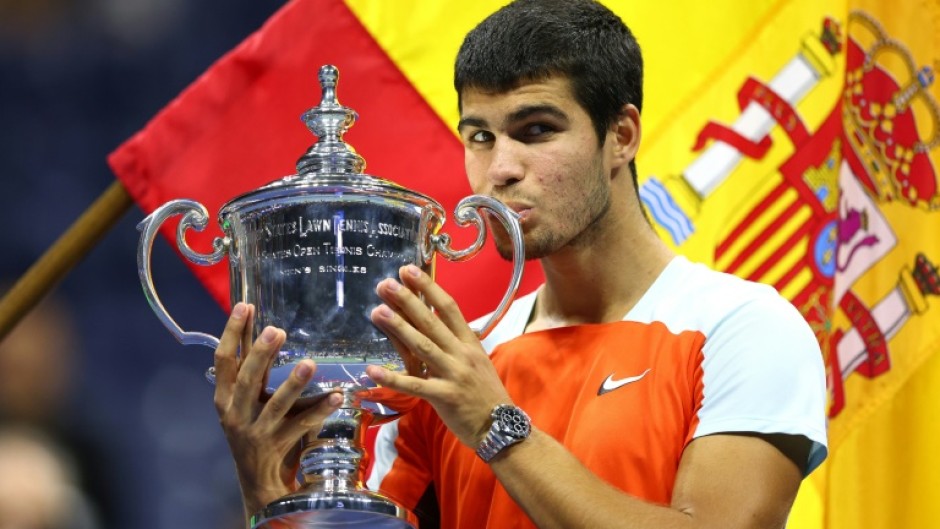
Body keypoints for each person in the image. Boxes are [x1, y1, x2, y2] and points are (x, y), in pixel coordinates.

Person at [212, 1, 828, 528]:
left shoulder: (744, 327)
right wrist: (265, 487)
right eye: (479, 136)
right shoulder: (451, 367)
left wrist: (494, 424)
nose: (500, 169)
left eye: (535, 130)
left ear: (621, 136)